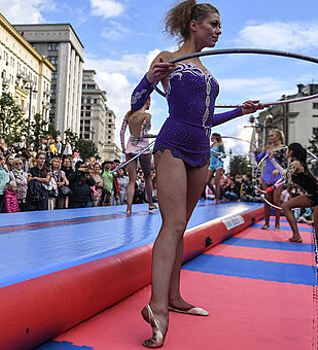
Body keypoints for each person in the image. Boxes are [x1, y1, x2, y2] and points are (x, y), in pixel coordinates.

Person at [131, 1, 263, 347]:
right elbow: (137, 100)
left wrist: (239, 110)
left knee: (182, 228)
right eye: (214, 24)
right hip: (172, 143)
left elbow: (205, 119)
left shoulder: (204, 68)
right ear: (193, 25)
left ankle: (173, 296)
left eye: (219, 26)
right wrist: (148, 79)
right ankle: (157, 308)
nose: (219, 31)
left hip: (201, 150)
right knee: (172, 225)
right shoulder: (169, 58)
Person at [266, 143, 318, 242]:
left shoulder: (296, 163)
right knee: (285, 206)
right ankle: (296, 236)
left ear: (291, 152)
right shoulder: (296, 163)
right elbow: (285, 173)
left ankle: (296, 235)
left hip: (315, 195)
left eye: (287, 150)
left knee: (317, 232)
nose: (286, 152)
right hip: (312, 196)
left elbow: (285, 176)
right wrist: (273, 160)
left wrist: (271, 187)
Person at [120, 99, 158, 213]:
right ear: (146, 102)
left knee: (132, 180)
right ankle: (150, 203)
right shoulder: (146, 115)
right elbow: (143, 134)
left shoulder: (128, 114)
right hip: (143, 148)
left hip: (130, 147)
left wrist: (123, 148)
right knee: (147, 177)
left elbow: (122, 132)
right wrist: (154, 136)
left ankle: (129, 208)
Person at [254, 129, 285, 230]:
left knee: (276, 200)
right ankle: (266, 223)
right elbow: (259, 160)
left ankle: (277, 224)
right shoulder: (267, 148)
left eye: (272, 135)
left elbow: (285, 163)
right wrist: (255, 153)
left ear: (278, 137)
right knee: (267, 200)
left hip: (278, 176)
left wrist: (278, 170)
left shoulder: (283, 148)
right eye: (270, 136)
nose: (270, 137)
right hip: (267, 175)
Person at [204, 133, 225, 203]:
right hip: (212, 165)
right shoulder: (211, 146)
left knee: (216, 182)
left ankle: (217, 199)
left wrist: (218, 156)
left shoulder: (220, 145)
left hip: (218, 164)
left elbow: (224, 155)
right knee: (207, 181)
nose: (211, 138)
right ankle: (216, 194)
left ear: (215, 137)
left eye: (212, 137)